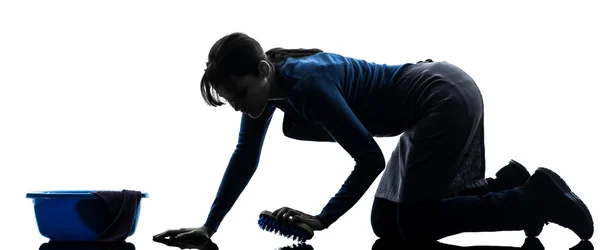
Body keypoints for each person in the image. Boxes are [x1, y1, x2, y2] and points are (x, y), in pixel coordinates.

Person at [154, 32, 594, 243]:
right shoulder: (269, 92)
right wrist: (210, 226)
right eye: (231, 100)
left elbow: (369, 159)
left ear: (262, 71)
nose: (238, 106)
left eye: (241, 93)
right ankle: (505, 187)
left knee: (416, 224)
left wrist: (323, 218)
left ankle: (535, 198)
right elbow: (244, 155)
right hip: (427, 102)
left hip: (441, 96)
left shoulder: (306, 86)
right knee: (387, 224)